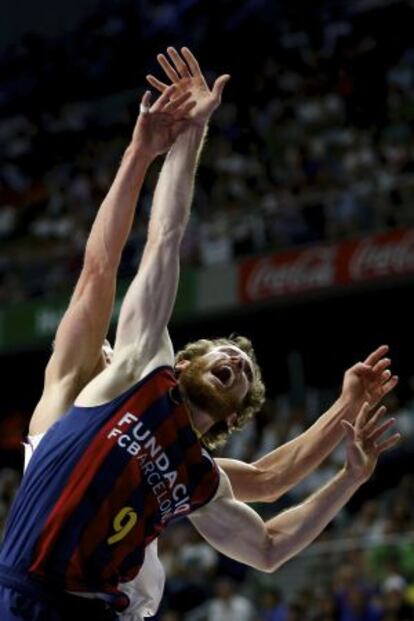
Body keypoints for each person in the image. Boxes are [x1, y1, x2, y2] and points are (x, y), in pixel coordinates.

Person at [2, 48, 400, 621]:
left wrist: (349, 469)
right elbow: (159, 239)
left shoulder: (199, 477)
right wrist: (185, 135)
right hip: (28, 590)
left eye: (243, 372)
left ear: (235, 416)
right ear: (183, 362)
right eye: (227, 352)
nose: (237, 361)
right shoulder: (138, 368)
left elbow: (267, 538)